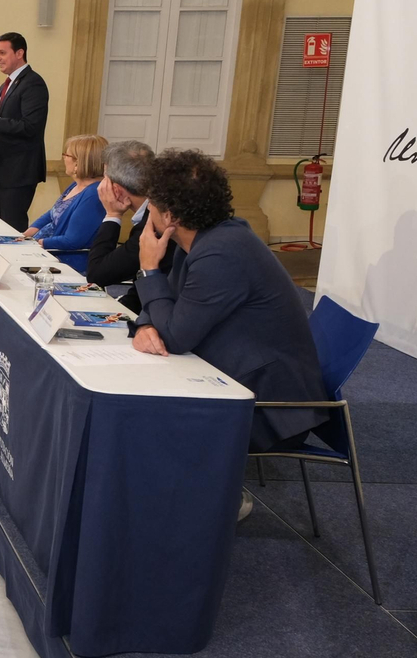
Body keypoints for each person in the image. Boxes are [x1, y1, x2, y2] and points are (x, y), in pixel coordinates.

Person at [130, 148, 328, 454]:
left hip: (267, 407)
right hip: (234, 377)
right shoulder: (205, 240)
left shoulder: (222, 253)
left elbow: (175, 336)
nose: (147, 212)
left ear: (169, 216)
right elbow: (165, 304)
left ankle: (213, 500)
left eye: (151, 205)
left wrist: (149, 268)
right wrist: (145, 326)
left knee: (137, 419)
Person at [0, 31, 50, 230]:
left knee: (12, 228)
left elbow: (31, 127)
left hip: (20, 170)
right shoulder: (5, 85)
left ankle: (18, 262)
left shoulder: (33, 83)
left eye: (2, 53)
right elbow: (7, 126)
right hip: (3, 169)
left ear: (19, 53)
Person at [87, 139, 167, 312]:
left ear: (116, 189)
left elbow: (97, 274)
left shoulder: (153, 226)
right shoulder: (153, 213)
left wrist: (112, 215)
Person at [19, 134, 107, 272]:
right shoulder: (75, 185)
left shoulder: (93, 194)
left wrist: (37, 243)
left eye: (66, 155)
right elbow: (53, 213)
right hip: (45, 251)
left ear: (79, 162)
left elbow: (73, 240)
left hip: (65, 260)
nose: (64, 158)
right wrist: (26, 234)